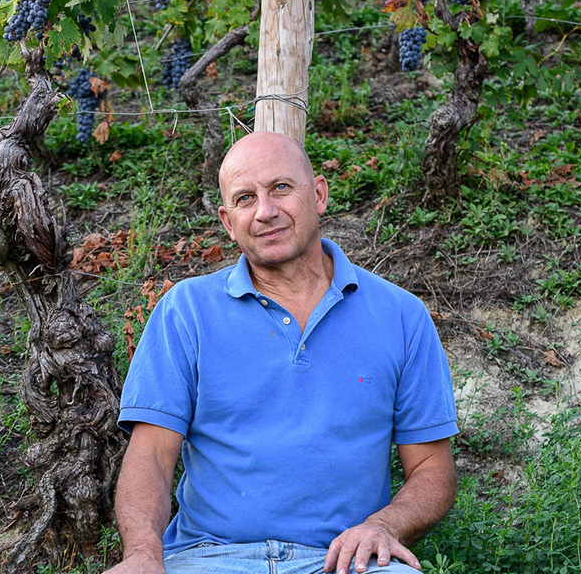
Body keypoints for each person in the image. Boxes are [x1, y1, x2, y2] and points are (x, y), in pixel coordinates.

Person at [106, 132, 459, 574]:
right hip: (208, 558)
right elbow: (152, 457)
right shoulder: (186, 311)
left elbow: (432, 468)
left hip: (345, 560)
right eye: (245, 198)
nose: (265, 212)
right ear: (228, 221)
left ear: (319, 194)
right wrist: (142, 554)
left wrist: (383, 527)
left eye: (281, 188)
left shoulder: (401, 315)